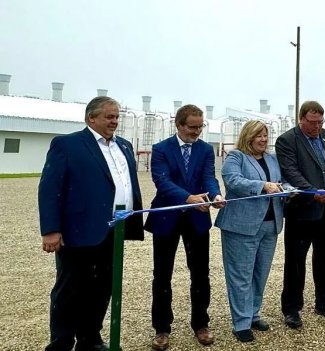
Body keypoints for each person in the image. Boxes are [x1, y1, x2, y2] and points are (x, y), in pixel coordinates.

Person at [38, 96, 144, 351]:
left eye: (117, 117)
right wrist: (51, 230)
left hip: (114, 230)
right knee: (70, 290)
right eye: (109, 117)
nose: (115, 121)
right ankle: (61, 343)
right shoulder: (68, 144)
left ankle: (89, 339)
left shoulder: (125, 147)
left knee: (102, 288)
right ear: (91, 118)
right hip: (78, 232)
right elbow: (49, 188)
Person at [145, 104, 225, 350]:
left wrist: (215, 195)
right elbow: (162, 181)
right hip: (167, 218)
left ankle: (201, 324)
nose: (196, 132)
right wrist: (188, 198)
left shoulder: (205, 149)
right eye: (192, 127)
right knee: (162, 275)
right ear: (178, 124)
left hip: (197, 220)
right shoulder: (160, 149)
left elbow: (208, 177)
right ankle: (161, 329)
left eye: (200, 127)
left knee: (201, 274)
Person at [276, 100, 325, 329]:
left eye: (320, 121)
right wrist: (312, 193)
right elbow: (291, 172)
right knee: (296, 263)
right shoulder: (287, 140)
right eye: (312, 122)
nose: (317, 126)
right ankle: (291, 308)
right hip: (302, 212)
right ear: (301, 119)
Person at [214, 120, 285, 342]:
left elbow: (280, 182)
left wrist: (287, 190)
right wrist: (263, 186)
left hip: (270, 225)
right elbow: (233, 181)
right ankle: (241, 322)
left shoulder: (272, 159)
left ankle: (254, 313)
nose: (263, 139)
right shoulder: (236, 157)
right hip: (241, 226)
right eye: (258, 135)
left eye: (265, 135)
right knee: (240, 276)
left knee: (260, 274)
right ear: (248, 136)